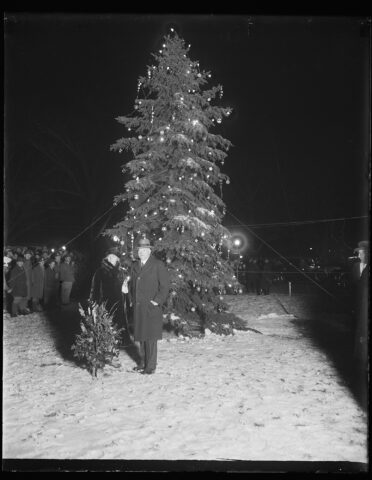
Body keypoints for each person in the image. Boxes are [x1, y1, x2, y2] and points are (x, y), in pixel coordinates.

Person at [129, 237, 170, 374]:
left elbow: (164, 286)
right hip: (139, 307)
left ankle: (150, 366)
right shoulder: (135, 266)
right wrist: (129, 297)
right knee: (141, 336)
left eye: (144, 250)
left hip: (151, 307)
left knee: (151, 338)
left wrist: (156, 301)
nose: (142, 252)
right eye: (140, 250)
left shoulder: (158, 265)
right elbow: (132, 285)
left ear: (149, 251)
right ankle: (143, 362)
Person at [89, 252, 124, 325]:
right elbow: (94, 288)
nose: (111, 259)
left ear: (117, 259)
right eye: (109, 257)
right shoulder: (100, 271)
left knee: (118, 325)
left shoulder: (121, 272)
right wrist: (94, 303)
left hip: (118, 304)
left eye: (113, 257)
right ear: (106, 259)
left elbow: (125, 289)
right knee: (105, 325)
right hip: (104, 303)